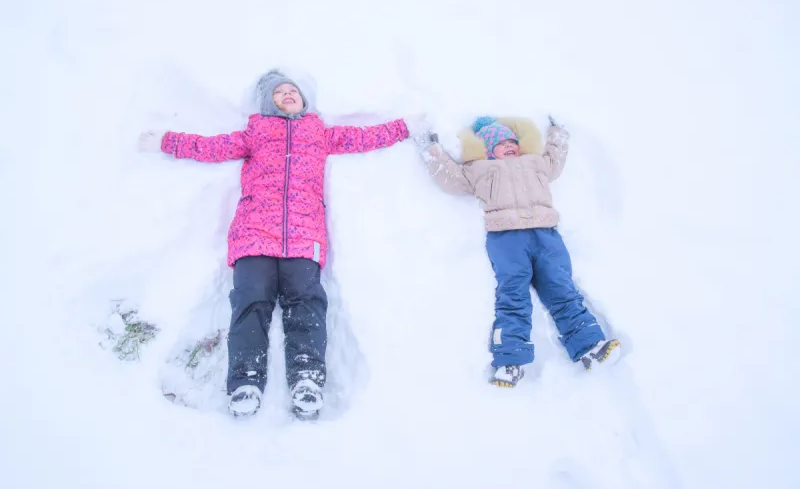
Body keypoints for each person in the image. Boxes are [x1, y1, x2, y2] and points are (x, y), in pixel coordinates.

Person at [139, 69, 424, 417]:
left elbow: (363, 137)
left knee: (306, 304)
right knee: (250, 303)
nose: (288, 95)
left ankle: (306, 378)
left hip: (304, 240)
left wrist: (405, 127)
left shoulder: (318, 132)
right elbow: (212, 148)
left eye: (293, 91)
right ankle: (245, 382)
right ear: (267, 102)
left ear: (305, 100)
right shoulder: (255, 133)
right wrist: (168, 140)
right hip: (254, 236)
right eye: (279, 92)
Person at [416, 116, 620, 387]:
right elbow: (449, 178)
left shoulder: (535, 161)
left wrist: (558, 133)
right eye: (501, 144)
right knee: (513, 294)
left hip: (546, 235)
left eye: (512, 141)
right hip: (506, 238)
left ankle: (590, 346)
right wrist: (431, 150)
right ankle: (509, 362)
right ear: (489, 150)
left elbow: (555, 159)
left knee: (562, 288)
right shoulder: (479, 169)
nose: (509, 146)